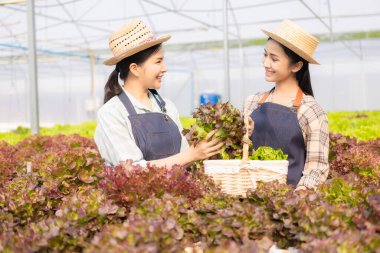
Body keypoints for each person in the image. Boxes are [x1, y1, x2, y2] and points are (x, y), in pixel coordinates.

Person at [94, 20, 223, 168]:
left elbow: (183, 160)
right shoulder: (112, 113)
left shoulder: (167, 107)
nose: (165, 68)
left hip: (177, 190)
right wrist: (191, 154)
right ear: (135, 69)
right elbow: (131, 171)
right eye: (158, 61)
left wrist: (201, 151)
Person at [243, 19, 329, 190]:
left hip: (291, 203)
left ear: (296, 66)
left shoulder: (311, 111)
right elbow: (240, 155)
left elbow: (316, 169)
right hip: (249, 197)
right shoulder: (252, 102)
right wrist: (245, 136)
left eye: (274, 59)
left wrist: (296, 200)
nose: (266, 63)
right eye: (265, 54)